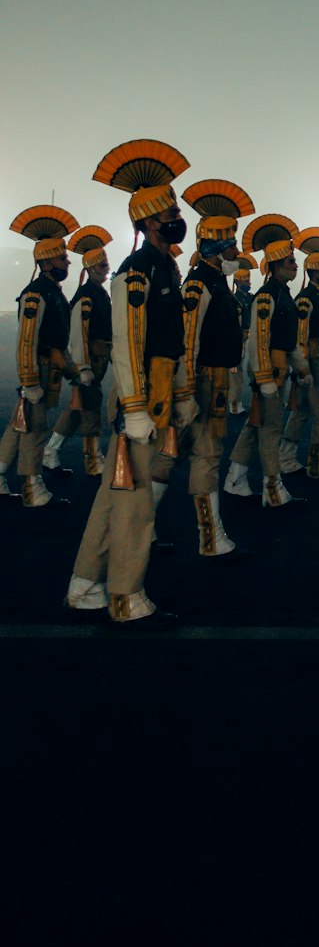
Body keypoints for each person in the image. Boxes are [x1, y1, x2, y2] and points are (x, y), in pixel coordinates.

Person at [66, 139, 194, 626]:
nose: (177, 218)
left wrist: (179, 394)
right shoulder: (136, 271)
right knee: (136, 500)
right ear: (148, 221)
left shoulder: (163, 267)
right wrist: (138, 406)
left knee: (113, 493)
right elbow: (128, 343)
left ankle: (85, 583)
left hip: (160, 391)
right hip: (144, 395)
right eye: (169, 213)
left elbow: (170, 342)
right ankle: (126, 595)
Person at [178, 177, 256, 556]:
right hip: (205, 380)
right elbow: (188, 341)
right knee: (205, 455)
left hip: (216, 377)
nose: (237, 252)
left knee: (180, 456)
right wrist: (187, 391)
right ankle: (211, 537)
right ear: (217, 247)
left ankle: (145, 529)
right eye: (232, 245)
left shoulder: (215, 281)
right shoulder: (200, 285)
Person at [226, 214, 310, 508]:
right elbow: (258, 341)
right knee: (271, 430)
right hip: (270, 373)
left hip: (279, 370)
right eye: (289, 261)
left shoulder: (281, 293)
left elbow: (287, 338)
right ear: (275, 264)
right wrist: (264, 379)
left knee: (255, 425)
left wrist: (300, 366)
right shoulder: (266, 296)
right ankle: (272, 490)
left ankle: (235, 477)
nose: (295, 265)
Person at [0, 205, 80, 506]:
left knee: (19, 424)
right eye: (61, 257)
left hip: (50, 365)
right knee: (34, 428)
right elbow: (26, 341)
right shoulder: (37, 293)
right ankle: (33, 487)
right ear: (46, 262)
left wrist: (72, 370)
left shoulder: (52, 290)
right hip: (40, 368)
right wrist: (30, 380)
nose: (67, 261)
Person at [42, 224, 114, 479]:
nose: (106, 270)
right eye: (103, 266)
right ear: (92, 268)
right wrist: (82, 366)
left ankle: (50, 451)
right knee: (91, 409)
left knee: (76, 409)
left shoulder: (99, 294)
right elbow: (78, 334)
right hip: (88, 360)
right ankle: (94, 460)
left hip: (98, 358)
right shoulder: (86, 296)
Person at [282, 227, 319, 478]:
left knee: (303, 410)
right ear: (316, 271)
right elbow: (302, 336)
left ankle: (285, 457)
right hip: (313, 357)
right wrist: (303, 369)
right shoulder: (307, 299)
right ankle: (316, 463)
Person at [228, 251, 258, 415]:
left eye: (248, 280)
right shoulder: (234, 299)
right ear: (238, 282)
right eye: (245, 280)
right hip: (238, 337)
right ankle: (234, 403)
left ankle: (257, 397)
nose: (248, 282)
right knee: (236, 372)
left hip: (251, 335)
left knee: (254, 367)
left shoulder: (251, 298)